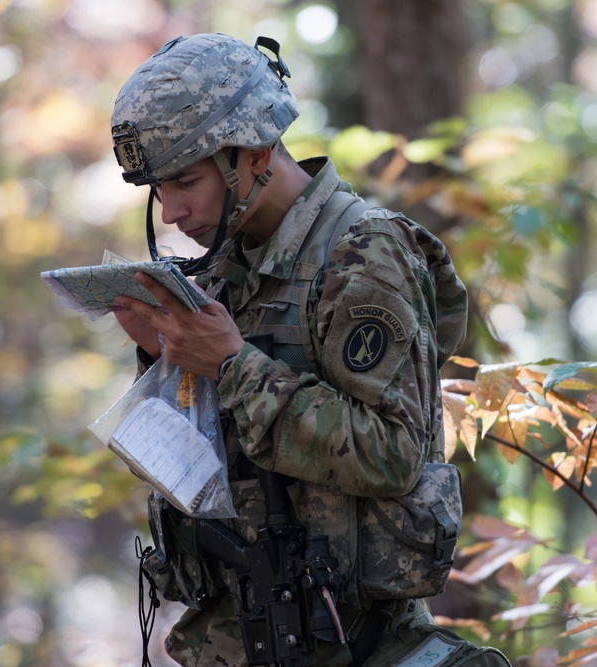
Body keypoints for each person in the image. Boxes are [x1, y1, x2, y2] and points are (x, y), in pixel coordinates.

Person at [107, 33, 512, 666]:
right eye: (158, 190)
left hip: (353, 643)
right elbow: (191, 476)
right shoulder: (218, 278)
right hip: (238, 637)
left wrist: (235, 368)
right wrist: (165, 361)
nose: (171, 211)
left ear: (255, 152)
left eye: (184, 180)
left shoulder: (364, 254)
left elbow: (391, 456)